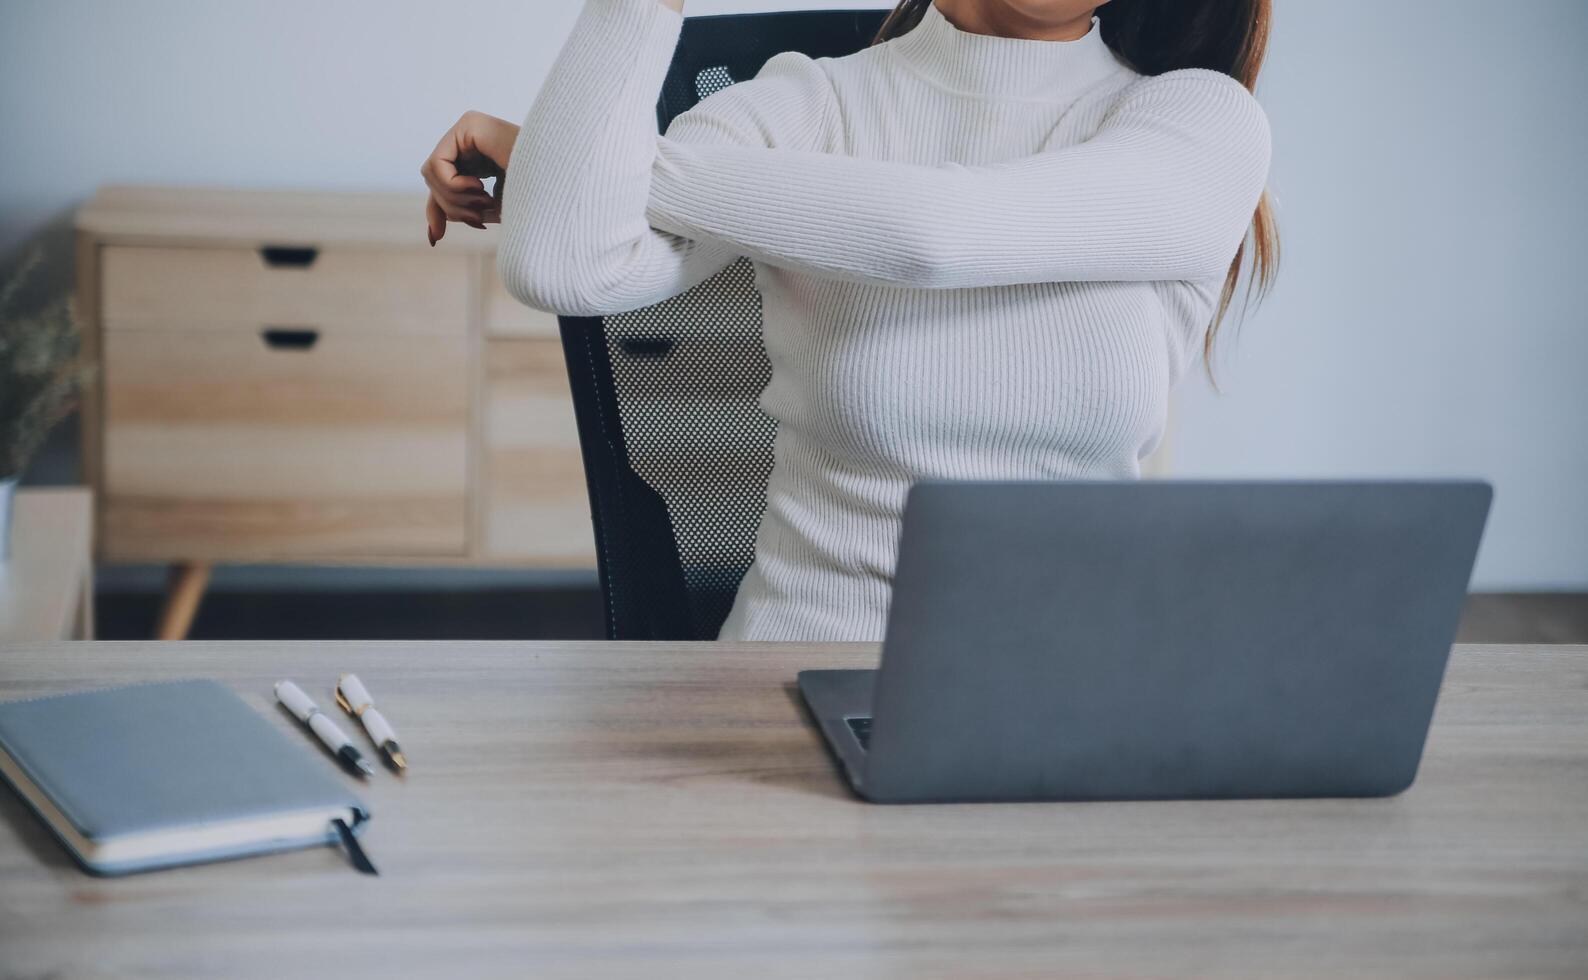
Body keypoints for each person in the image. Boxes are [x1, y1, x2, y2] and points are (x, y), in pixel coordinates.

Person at [420, 0, 1277, 642]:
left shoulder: (1196, 124)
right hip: (796, 673)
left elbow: (935, 235)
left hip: (1066, 687)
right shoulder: (811, 103)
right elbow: (559, 260)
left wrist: (560, 157)